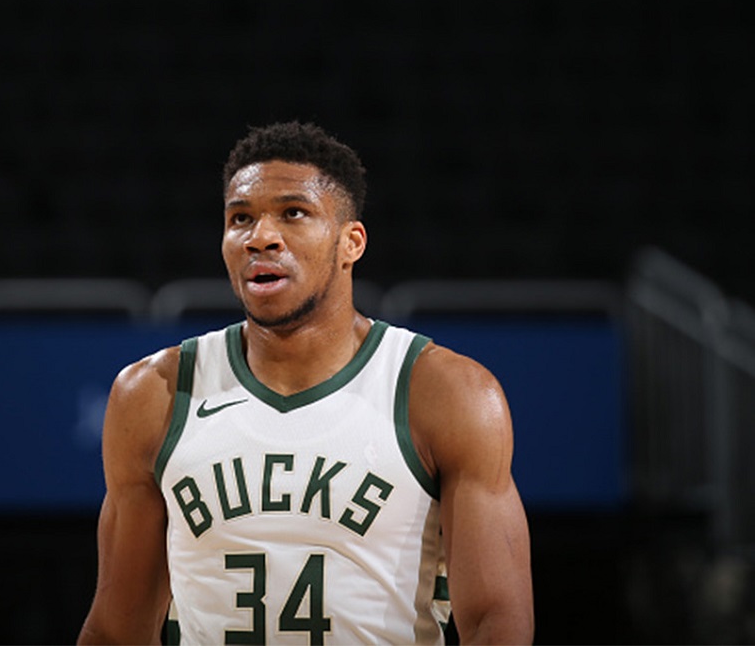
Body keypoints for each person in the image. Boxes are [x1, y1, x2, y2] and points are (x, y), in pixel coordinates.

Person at [78, 121, 533, 645]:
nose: (260, 237)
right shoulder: (151, 394)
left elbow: (497, 622)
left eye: (293, 213)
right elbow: (115, 630)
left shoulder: (447, 393)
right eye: (240, 218)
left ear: (350, 243)